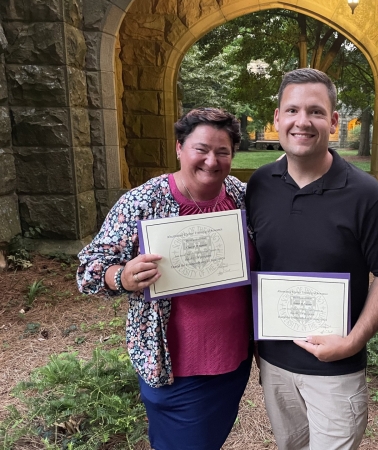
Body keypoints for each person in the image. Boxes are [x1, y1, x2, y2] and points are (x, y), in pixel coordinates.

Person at [76, 108, 254, 450]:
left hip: (232, 360)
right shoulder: (142, 202)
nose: (211, 161)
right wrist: (122, 277)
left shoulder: (239, 196)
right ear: (179, 148)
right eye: (200, 149)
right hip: (177, 368)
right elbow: (88, 269)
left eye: (223, 151)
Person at [246, 68, 378, 450]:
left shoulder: (366, 195)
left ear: (332, 122)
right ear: (278, 118)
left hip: (336, 370)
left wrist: (352, 342)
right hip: (275, 363)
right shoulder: (259, 185)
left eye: (316, 111)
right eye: (293, 110)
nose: (303, 121)